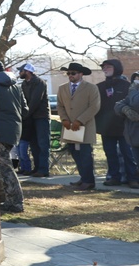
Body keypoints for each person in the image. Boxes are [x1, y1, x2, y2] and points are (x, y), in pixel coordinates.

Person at [56, 62, 101, 191]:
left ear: (81, 74)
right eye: (68, 73)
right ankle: (83, 178)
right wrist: (64, 119)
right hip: (69, 127)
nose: (70, 75)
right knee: (75, 153)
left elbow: (94, 106)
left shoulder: (91, 88)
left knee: (85, 154)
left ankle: (89, 181)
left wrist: (80, 121)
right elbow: (60, 105)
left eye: (73, 73)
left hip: (84, 127)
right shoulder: (62, 88)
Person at [96, 59, 137, 187]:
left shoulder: (127, 86)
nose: (105, 69)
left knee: (128, 154)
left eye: (109, 67)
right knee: (110, 154)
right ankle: (114, 177)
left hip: (124, 127)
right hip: (106, 127)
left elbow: (131, 103)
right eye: (104, 67)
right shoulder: (99, 86)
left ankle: (133, 178)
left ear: (117, 68)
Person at [0, 59, 27, 212]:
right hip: (14, 129)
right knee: (2, 165)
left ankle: (15, 202)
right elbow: (25, 109)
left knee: (5, 167)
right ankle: (5, 198)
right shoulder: (16, 85)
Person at [17, 62, 51, 177]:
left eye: (21, 71)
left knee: (43, 144)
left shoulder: (39, 82)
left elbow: (35, 101)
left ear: (27, 71)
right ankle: (36, 169)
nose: (19, 73)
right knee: (34, 144)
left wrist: (25, 113)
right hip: (30, 118)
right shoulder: (24, 84)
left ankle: (43, 169)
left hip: (41, 117)